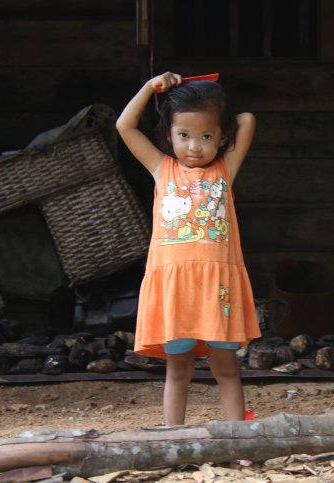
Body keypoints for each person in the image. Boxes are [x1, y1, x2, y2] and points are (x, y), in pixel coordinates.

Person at [116, 72, 261, 425]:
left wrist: (204, 95)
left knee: (226, 368)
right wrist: (150, 87)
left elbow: (246, 119)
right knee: (178, 370)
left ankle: (237, 437)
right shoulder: (160, 168)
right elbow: (124, 125)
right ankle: (172, 438)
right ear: (168, 135)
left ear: (222, 137)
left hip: (217, 289)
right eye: (183, 135)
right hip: (175, 291)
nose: (194, 146)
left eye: (206, 137)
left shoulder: (225, 170)